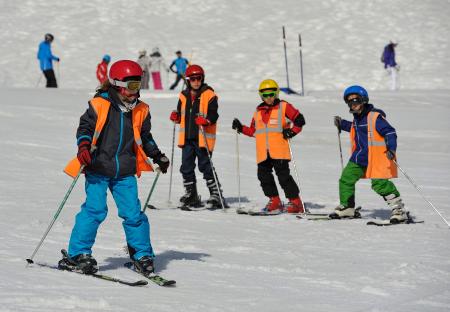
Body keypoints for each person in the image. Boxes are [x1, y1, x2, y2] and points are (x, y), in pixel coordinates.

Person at [58, 60, 170, 275]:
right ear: (118, 84)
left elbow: (145, 138)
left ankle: (142, 254)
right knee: (95, 210)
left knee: (133, 214)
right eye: (132, 86)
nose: (135, 91)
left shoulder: (141, 110)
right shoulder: (100, 105)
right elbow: (85, 129)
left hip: (125, 172)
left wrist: (157, 155)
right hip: (98, 168)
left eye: (139, 85)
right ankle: (78, 254)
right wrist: (83, 147)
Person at [333, 85, 407, 223]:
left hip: (377, 158)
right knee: (346, 179)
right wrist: (342, 124)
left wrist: (391, 149)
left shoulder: (375, 117)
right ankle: (348, 207)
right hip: (359, 157)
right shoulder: (357, 118)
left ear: (364, 100)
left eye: (356, 100)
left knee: (379, 184)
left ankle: (399, 210)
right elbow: (355, 129)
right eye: (349, 101)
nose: (353, 104)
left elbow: (390, 132)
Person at [232, 79, 306, 214]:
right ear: (261, 96)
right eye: (265, 95)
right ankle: (275, 201)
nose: (269, 98)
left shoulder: (283, 106)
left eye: (271, 94)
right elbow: (255, 131)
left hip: (279, 150)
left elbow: (300, 120)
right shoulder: (258, 111)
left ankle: (295, 202)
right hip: (263, 152)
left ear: (276, 93)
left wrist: (292, 132)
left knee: (284, 177)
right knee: (263, 176)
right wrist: (241, 128)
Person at [169, 64, 226, 209]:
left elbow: (214, 114)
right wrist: (176, 117)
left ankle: (216, 194)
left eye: (198, 78)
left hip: (202, 138)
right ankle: (191, 194)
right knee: (186, 167)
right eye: (192, 79)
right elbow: (180, 113)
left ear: (202, 78)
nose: (196, 81)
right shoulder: (183, 95)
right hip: (187, 138)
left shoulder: (209, 94)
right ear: (188, 80)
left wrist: (206, 120)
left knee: (205, 166)